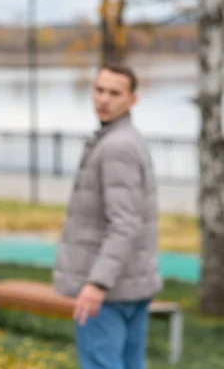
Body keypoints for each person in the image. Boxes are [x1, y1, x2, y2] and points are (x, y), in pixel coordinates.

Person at [52, 63, 163, 369]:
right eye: (99, 90)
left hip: (108, 291)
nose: (104, 99)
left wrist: (97, 284)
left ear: (132, 100)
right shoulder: (126, 138)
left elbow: (125, 222)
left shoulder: (117, 146)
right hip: (130, 285)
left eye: (115, 93)